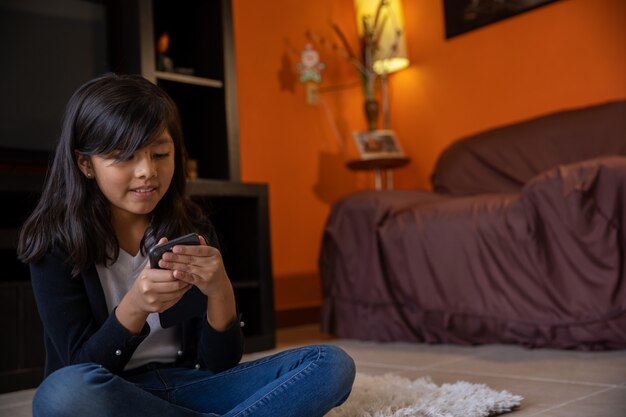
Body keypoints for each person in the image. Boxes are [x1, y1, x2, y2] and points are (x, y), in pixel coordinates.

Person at [17, 73, 355, 417]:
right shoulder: (53, 243)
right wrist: (134, 307)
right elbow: (79, 366)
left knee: (330, 364)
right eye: (125, 157)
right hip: (118, 395)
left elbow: (218, 364)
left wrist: (221, 290)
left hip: (194, 385)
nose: (147, 171)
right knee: (61, 394)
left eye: (160, 153)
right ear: (85, 164)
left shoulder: (190, 228)